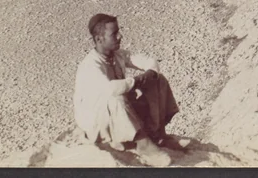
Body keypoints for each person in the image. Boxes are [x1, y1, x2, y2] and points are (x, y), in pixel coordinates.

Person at [74, 14, 181, 166]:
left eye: (118, 32)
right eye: (114, 34)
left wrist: (149, 75)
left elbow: (150, 62)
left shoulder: (117, 55)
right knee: (116, 98)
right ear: (99, 39)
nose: (120, 36)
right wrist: (136, 81)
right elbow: (111, 89)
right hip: (97, 122)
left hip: (119, 112)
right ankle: (143, 144)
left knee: (158, 80)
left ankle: (158, 134)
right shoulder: (91, 65)